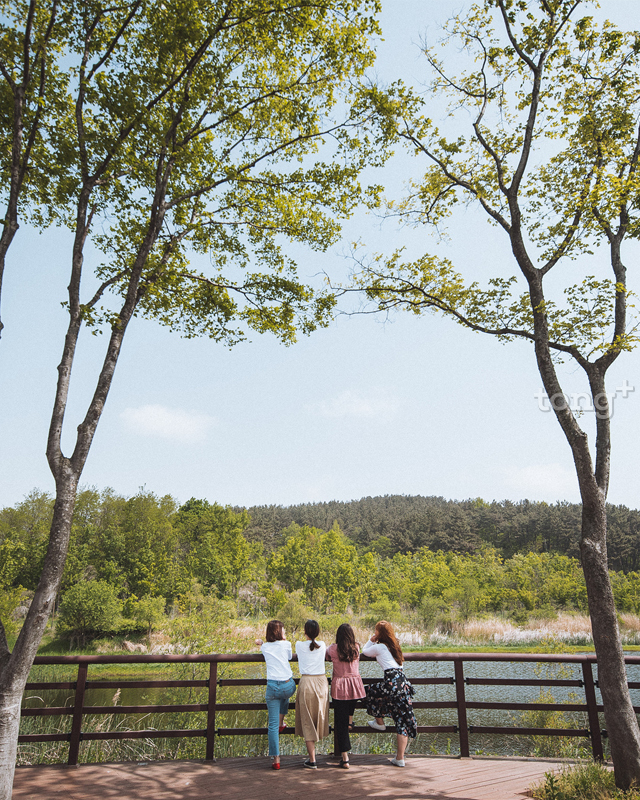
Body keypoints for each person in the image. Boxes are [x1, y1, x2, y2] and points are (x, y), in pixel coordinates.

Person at [362, 620, 417, 768]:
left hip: (391, 683)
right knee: (402, 721)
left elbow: (365, 652)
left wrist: (370, 640)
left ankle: (379, 722)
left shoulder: (379, 647)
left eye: (376, 631)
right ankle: (400, 758)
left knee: (366, 691)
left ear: (380, 633)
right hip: (403, 683)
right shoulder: (395, 647)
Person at [255, 619, 296, 770]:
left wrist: (260, 642)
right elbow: (290, 657)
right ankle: (281, 722)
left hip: (272, 687)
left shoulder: (265, 647)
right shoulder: (286, 644)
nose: (285, 632)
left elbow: (265, 645)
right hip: (287, 686)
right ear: (279, 632)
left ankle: (276, 759)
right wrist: (285, 641)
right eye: (283, 630)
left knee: (271, 726)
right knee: (285, 692)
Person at [326, 622, 366, 768]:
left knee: (339, 723)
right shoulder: (356, 647)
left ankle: (345, 757)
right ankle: (351, 721)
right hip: (355, 685)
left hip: (340, 686)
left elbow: (328, 656)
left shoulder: (333, 649)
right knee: (351, 705)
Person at [294, 619, 329, 768]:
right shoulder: (323, 645)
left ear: (305, 632)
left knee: (307, 719)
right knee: (319, 717)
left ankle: (312, 759)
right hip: (321, 682)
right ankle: (315, 756)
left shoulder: (298, 645)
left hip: (307, 682)